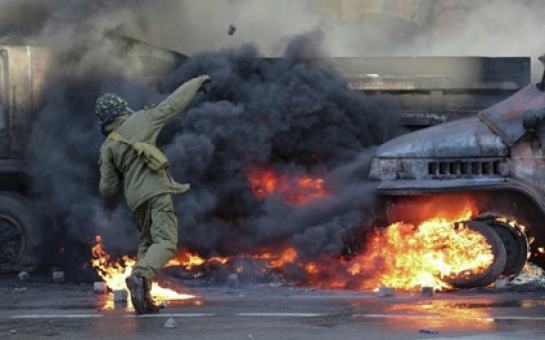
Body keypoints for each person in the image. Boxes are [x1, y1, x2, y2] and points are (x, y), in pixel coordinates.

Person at [96, 75, 211, 314]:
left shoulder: (107, 146)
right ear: (121, 108)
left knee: (148, 243)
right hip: (157, 193)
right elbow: (173, 104)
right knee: (166, 242)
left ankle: (144, 298)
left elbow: (107, 189)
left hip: (136, 202)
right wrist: (197, 82)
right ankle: (139, 277)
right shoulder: (143, 120)